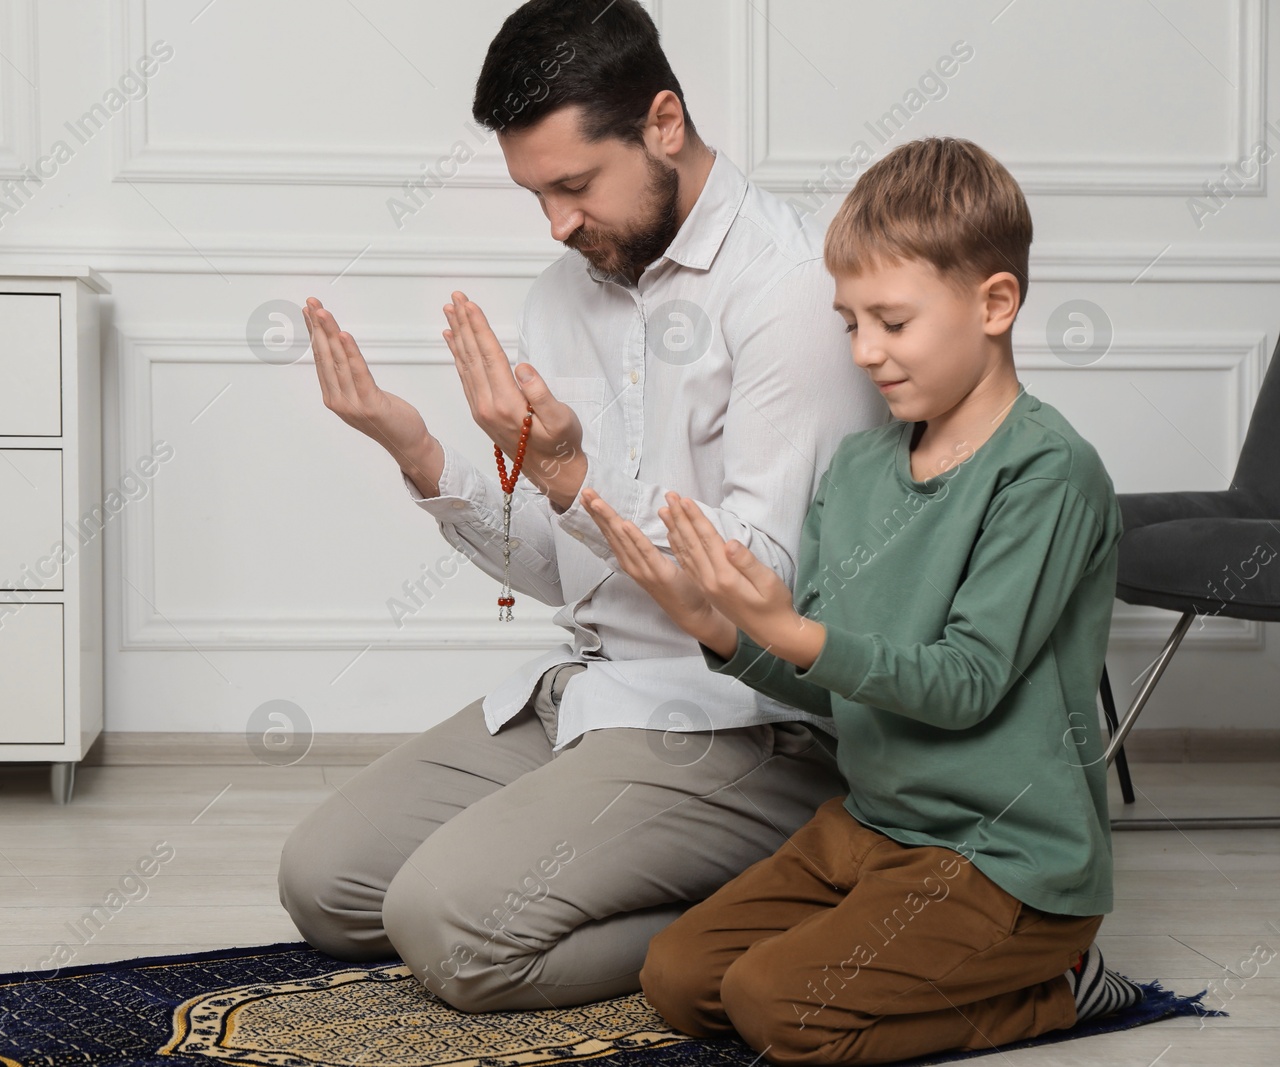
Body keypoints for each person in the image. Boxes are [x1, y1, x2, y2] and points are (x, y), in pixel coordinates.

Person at [279, 0, 886, 1012]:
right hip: (597, 685)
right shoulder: (566, 294)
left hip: (751, 721)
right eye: (536, 195)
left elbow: (755, 586)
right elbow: (564, 567)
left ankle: (797, 879)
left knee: (448, 929)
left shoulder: (790, 295)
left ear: (662, 124)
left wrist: (573, 479)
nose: (557, 225)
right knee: (330, 885)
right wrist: (423, 455)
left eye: (572, 186)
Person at [582, 135, 1143, 1064]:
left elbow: (963, 683)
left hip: (1004, 860)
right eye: (849, 323)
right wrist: (716, 626)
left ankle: (1059, 985)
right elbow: (838, 678)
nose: (865, 353)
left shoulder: (1049, 471)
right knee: (678, 977)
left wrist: (789, 626)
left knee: (776, 1007)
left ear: (994, 303)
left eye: (891, 320)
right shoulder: (858, 467)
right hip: (872, 825)